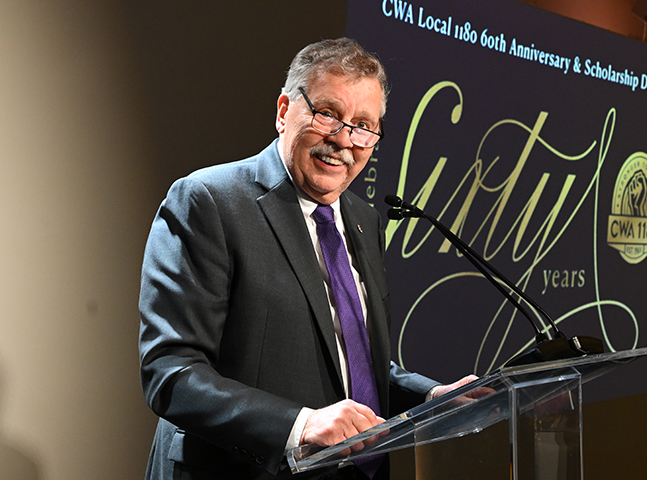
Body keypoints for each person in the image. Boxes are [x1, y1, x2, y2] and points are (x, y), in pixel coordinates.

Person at [139, 37, 482, 480]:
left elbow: (352, 362)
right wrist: (299, 425)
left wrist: (432, 398)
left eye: (363, 125)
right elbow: (171, 371)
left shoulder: (363, 220)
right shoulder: (209, 201)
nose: (344, 140)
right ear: (284, 111)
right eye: (328, 114)